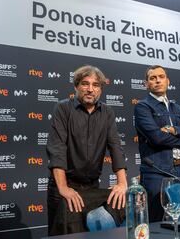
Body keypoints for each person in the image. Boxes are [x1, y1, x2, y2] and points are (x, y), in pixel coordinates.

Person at [46, 65, 127, 235]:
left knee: (89, 234)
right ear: (76, 86)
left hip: (92, 188)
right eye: (85, 84)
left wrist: (122, 183)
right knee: (61, 235)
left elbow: (115, 146)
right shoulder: (63, 108)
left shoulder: (108, 112)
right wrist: (63, 188)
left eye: (96, 85)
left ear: (100, 89)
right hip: (64, 186)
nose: (90, 89)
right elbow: (57, 150)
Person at [134, 65, 180, 222]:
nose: (158, 80)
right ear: (146, 84)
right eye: (153, 78)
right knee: (155, 221)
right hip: (156, 172)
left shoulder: (177, 108)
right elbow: (156, 137)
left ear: (168, 81)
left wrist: (172, 129)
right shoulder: (143, 106)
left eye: (161, 76)